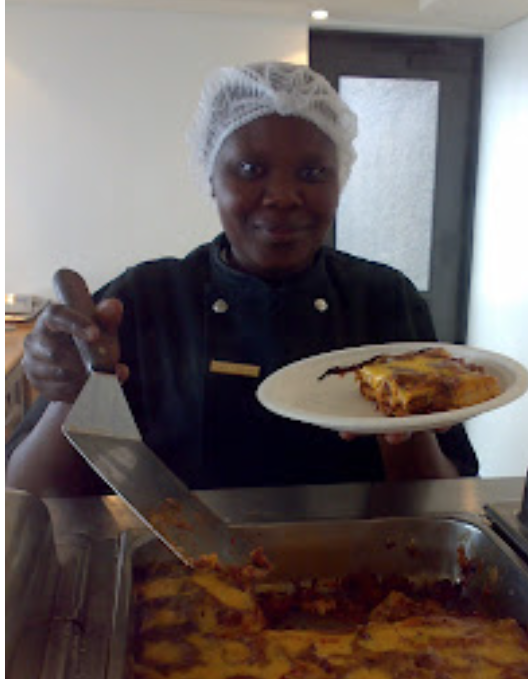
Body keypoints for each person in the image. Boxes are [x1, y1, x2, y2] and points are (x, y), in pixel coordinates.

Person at [6, 61, 478, 497]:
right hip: (177, 570)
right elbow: (25, 494)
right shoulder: (144, 299)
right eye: (251, 169)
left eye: (313, 172)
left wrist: (403, 424)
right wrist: (73, 395)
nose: (282, 196)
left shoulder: (383, 299)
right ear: (211, 176)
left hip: (366, 571)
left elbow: (447, 497)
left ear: (339, 183)